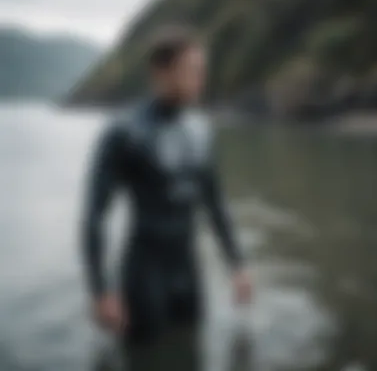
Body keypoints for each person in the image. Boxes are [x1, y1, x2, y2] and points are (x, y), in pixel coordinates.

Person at [82, 25, 253, 370]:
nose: (201, 79)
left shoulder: (201, 130)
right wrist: (101, 291)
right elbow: (94, 216)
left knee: (191, 355)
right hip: (144, 276)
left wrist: (237, 265)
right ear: (161, 72)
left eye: (202, 70)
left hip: (188, 274)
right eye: (192, 70)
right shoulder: (124, 132)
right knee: (143, 360)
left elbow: (215, 204)